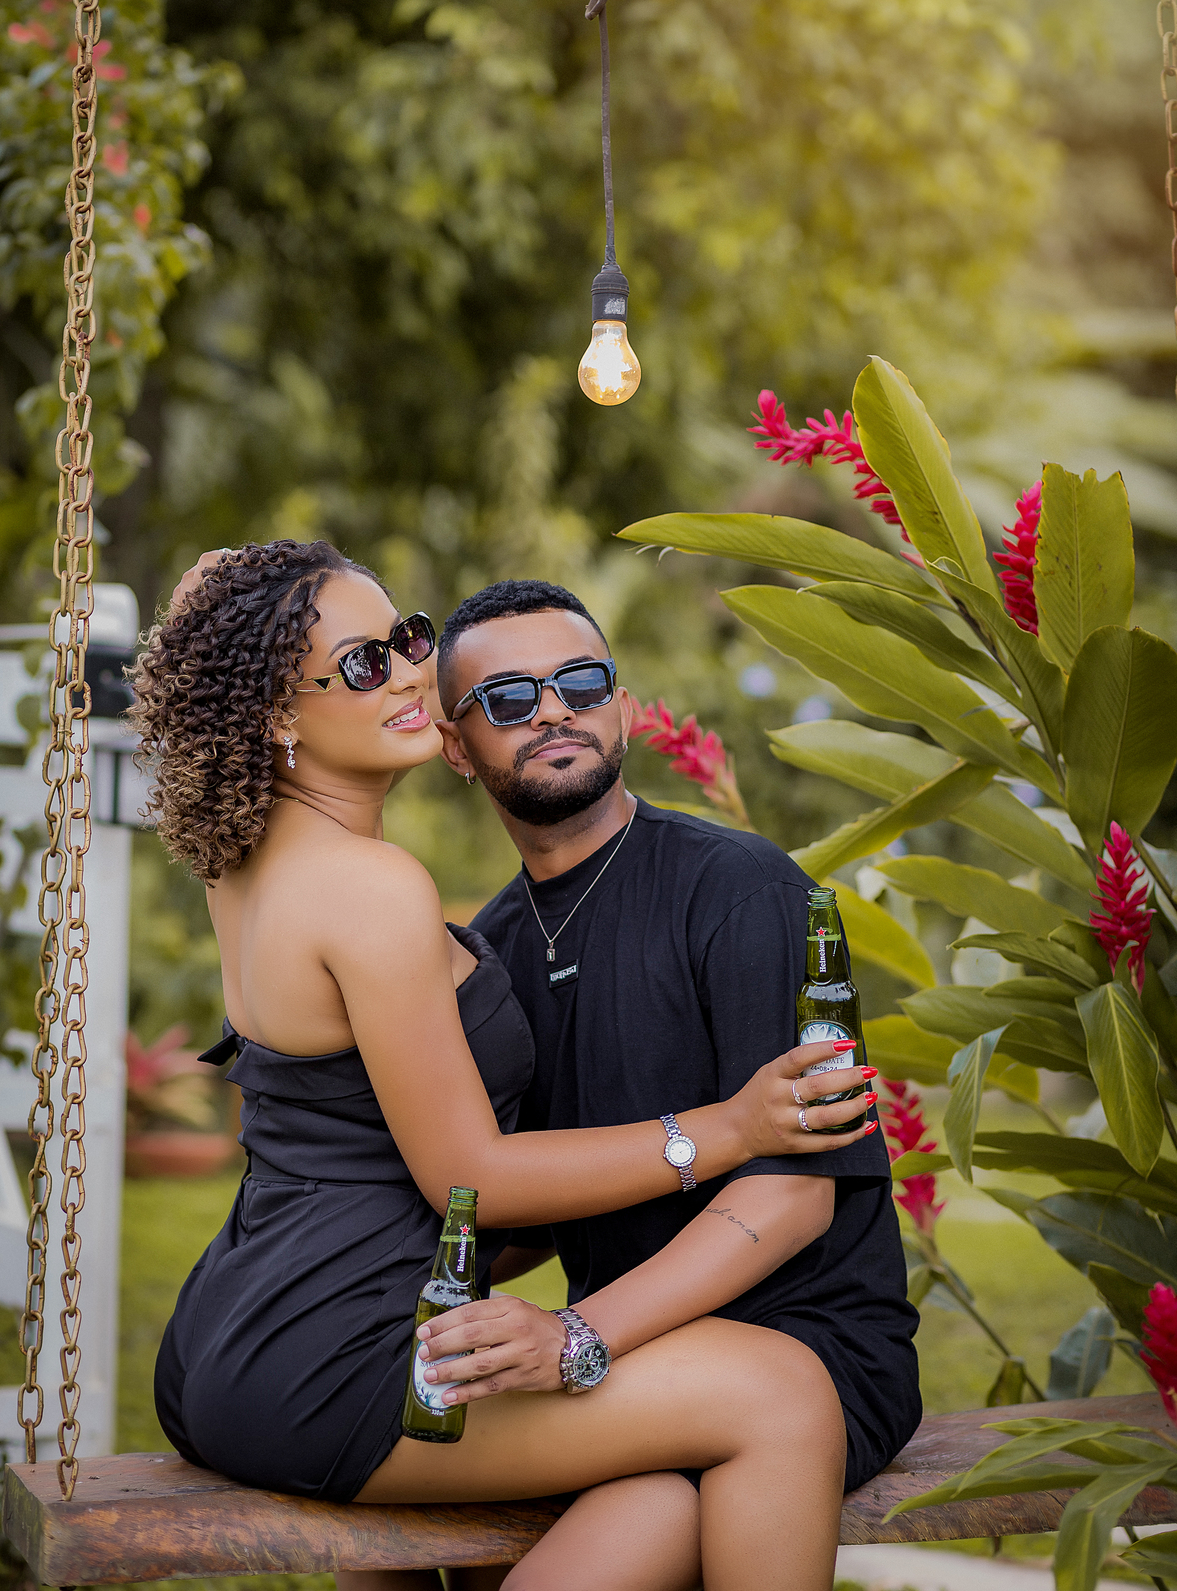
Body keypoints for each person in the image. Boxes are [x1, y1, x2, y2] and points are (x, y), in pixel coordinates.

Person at [142, 540, 880, 1591]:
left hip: (236, 1337)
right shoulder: (378, 891)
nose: (405, 675)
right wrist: (729, 1130)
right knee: (778, 1393)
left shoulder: (247, 867)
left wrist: (557, 1329)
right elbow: (467, 1178)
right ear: (275, 715)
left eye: (406, 641)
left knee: (652, 1500)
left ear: (624, 704)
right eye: (362, 664)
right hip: (337, 1357)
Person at [389, 577, 922, 1590]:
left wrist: (576, 1336)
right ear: (455, 746)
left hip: (800, 1348)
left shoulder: (745, 891)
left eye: (582, 683)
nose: (554, 710)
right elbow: (535, 1196)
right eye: (509, 697)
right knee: (415, 1485)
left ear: (623, 709)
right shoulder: (488, 955)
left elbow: (795, 1197)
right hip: (633, 1357)